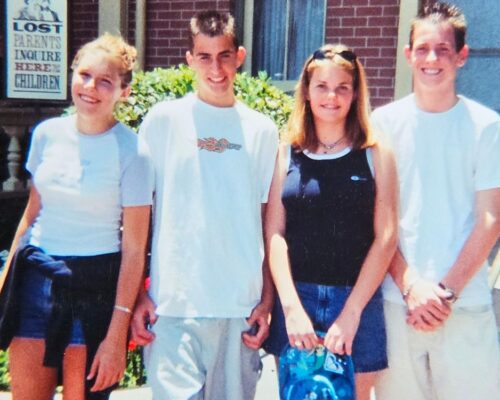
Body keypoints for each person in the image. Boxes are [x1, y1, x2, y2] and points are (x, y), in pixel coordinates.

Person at [130, 10, 279, 400]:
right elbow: (136, 216)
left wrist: (266, 298)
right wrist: (137, 294)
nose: (216, 68)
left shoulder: (261, 130)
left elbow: (268, 222)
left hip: (239, 308)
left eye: (225, 55)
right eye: (205, 56)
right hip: (173, 306)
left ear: (240, 56)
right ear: (190, 59)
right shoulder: (163, 121)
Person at [0, 34, 153, 400]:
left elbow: (134, 249)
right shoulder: (46, 135)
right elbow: (32, 213)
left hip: (95, 288)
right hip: (35, 279)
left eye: (105, 81)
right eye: (84, 75)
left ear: (123, 92)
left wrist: (117, 335)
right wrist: (4, 283)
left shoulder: (134, 151)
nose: (91, 88)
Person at [372, 3, 500, 399]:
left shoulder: (487, 127)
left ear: (461, 56)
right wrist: (411, 287)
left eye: (443, 49)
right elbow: (375, 218)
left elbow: (490, 219)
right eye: (423, 48)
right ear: (408, 54)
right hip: (398, 304)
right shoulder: (383, 124)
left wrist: (444, 294)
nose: (432, 59)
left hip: (464, 305)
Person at [263, 44, 398, 400]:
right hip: (299, 299)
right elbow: (275, 233)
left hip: (356, 301)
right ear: (306, 92)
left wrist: (351, 313)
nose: (331, 96)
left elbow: (386, 237)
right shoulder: (285, 152)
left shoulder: (376, 153)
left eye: (342, 87)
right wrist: (290, 307)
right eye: (321, 86)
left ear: (355, 94)